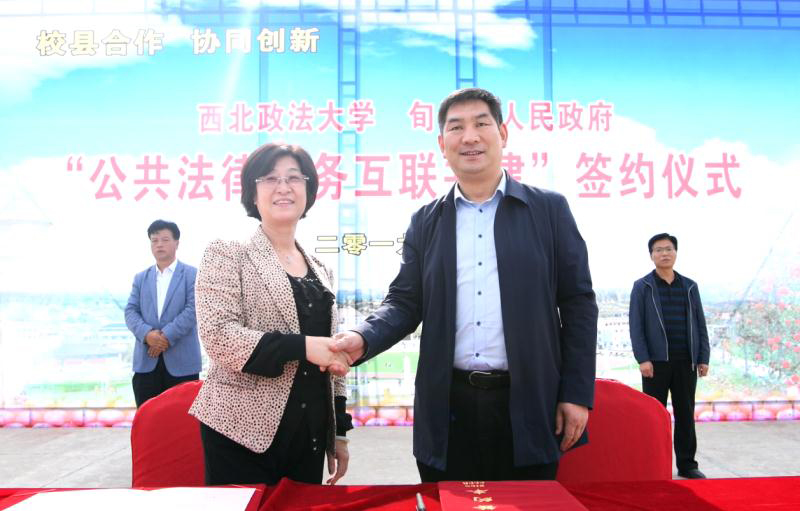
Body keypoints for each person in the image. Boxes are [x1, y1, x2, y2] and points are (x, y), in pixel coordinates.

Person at [332, 88, 598, 482]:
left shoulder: (548, 210)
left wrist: (576, 393)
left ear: (502, 134)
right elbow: (405, 302)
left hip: (528, 402)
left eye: (481, 124)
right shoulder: (426, 221)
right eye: (456, 128)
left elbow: (578, 304)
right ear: (442, 144)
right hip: (448, 406)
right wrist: (362, 337)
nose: (469, 137)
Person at [188, 143, 353, 486]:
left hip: (308, 435)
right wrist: (303, 346)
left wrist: (339, 431)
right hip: (239, 433)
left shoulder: (321, 269)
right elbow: (218, 335)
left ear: (308, 189)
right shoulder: (228, 252)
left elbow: (332, 354)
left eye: (294, 178)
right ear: (253, 192)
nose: (283, 187)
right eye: (270, 178)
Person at [629, 233, 710, 479]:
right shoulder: (642, 286)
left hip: (686, 361)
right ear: (651, 255)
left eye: (668, 249)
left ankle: (687, 465)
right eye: (658, 250)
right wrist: (643, 359)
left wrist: (703, 357)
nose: (664, 253)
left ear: (675, 252)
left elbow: (700, 323)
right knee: (653, 416)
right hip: (655, 363)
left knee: (685, 414)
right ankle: (651, 465)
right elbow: (636, 326)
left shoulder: (690, 286)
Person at [125, 220, 202, 408]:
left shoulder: (193, 275)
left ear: (177, 243)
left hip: (182, 364)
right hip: (146, 362)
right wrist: (147, 335)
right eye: (154, 240)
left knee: (181, 420)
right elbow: (131, 311)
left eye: (165, 239)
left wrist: (165, 337)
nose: (159, 244)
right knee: (147, 419)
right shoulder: (141, 278)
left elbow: (193, 310)